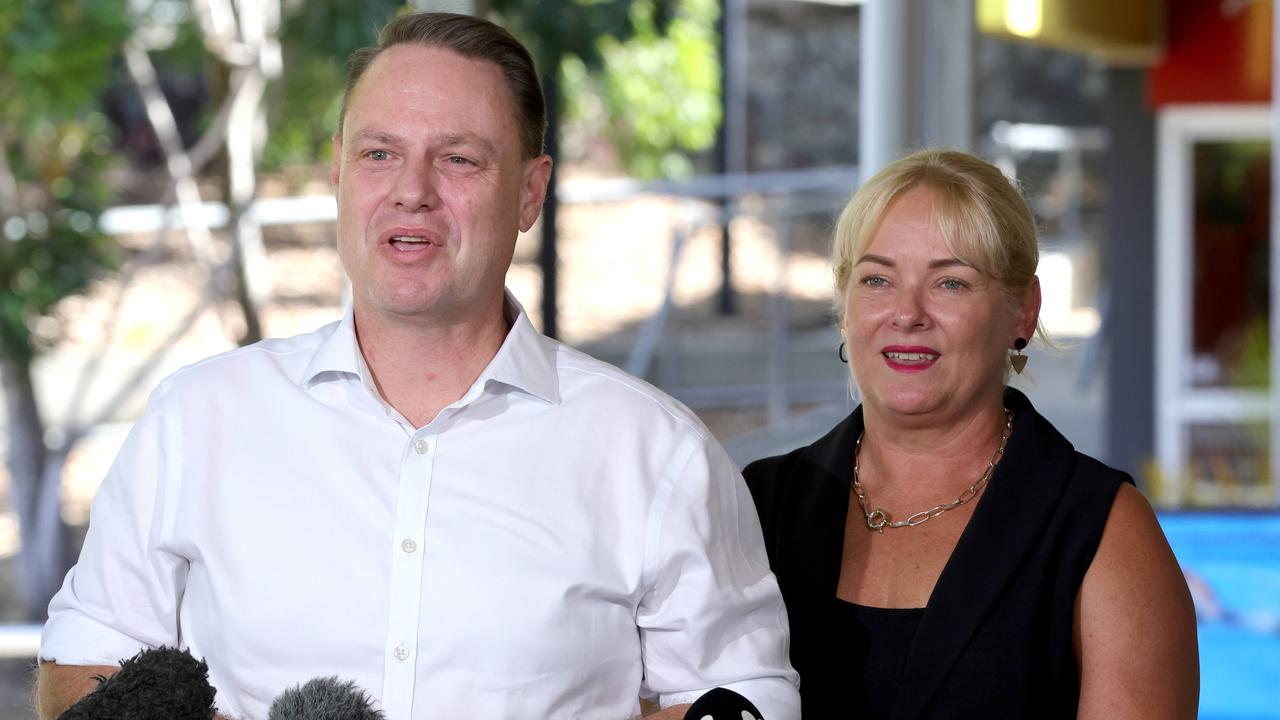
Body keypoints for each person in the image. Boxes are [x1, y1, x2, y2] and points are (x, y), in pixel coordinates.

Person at [36, 13, 799, 720]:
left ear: (531, 191)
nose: (412, 192)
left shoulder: (657, 453)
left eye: (459, 159)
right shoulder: (196, 420)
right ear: (338, 170)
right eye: (379, 153)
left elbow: (734, 695)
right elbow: (82, 659)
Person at [743, 149, 1199, 718]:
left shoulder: (1102, 532)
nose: (906, 314)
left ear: (1022, 312)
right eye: (877, 279)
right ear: (845, 309)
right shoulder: (757, 506)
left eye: (951, 283)